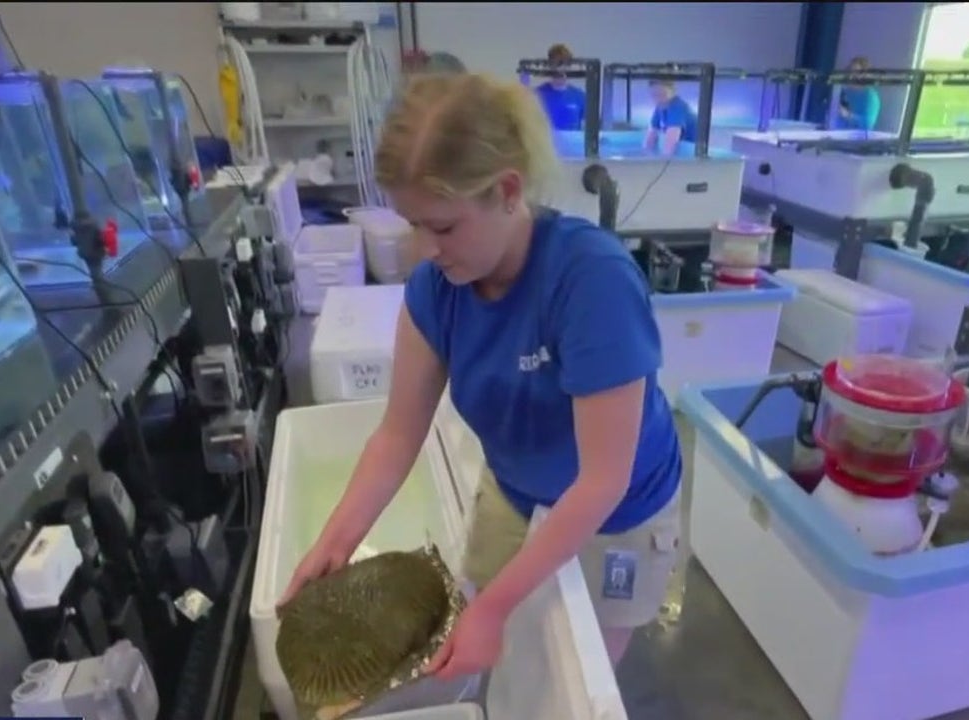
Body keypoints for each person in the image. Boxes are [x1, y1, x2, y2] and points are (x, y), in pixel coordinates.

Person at [280, 72, 684, 679]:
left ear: (508, 191)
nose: (425, 249)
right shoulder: (436, 290)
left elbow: (603, 480)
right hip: (517, 490)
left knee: (582, 671)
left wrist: (493, 609)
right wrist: (335, 540)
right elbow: (396, 437)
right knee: (490, 655)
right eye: (412, 224)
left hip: (620, 509)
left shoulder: (590, 280)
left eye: (443, 226)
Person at [535, 43, 585, 131]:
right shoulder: (537, 95)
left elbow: (585, 130)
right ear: (550, 65)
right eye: (557, 63)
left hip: (572, 144)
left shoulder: (580, 96)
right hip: (546, 143)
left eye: (565, 63)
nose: (561, 68)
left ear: (569, 66)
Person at [643, 80, 698, 155]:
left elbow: (670, 145)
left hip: (692, 152)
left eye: (662, 95)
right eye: (654, 95)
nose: (658, 100)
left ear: (673, 92)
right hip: (682, 149)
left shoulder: (678, 107)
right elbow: (650, 139)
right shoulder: (660, 107)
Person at [835, 56, 881, 132]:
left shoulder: (871, 96)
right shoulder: (844, 91)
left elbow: (868, 123)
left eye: (856, 72)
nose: (852, 75)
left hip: (859, 139)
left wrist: (848, 115)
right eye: (850, 71)